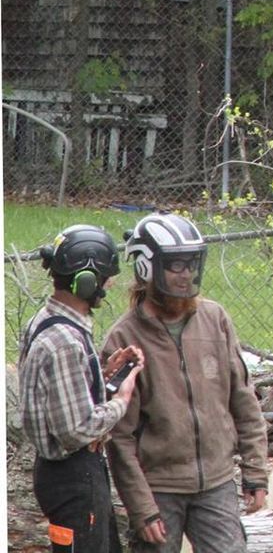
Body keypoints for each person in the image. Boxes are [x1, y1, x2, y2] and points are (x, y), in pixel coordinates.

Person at [105, 213, 271, 553]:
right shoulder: (124, 339)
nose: (186, 275)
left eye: (191, 265)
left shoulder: (216, 319)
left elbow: (244, 400)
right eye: (175, 265)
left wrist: (255, 472)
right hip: (159, 489)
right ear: (147, 269)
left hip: (217, 483)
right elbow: (119, 437)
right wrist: (142, 507)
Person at [20, 224, 147, 553]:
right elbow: (76, 430)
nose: (111, 283)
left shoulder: (46, 321)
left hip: (71, 475)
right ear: (86, 281)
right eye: (106, 277)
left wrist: (101, 374)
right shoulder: (64, 342)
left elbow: (59, 396)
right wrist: (122, 397)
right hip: (72, 478)